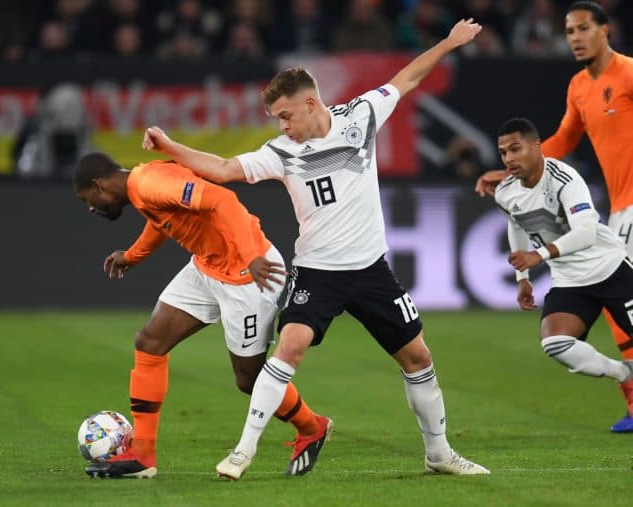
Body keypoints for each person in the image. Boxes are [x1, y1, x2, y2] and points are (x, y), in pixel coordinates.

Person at [142, 18, 490, 479]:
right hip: (317, 272)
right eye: (277, 120)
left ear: (311, 103)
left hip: (370, 272)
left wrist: (449, 42)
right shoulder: (282, 151)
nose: (283, 126)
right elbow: (224, 168)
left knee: (418, 358)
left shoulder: (362, 116)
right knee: (290, 348)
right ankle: (243, 451)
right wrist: (171, 145)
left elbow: (407, 78)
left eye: (286, 116)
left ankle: (440, 455)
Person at [73, 153, 326, 478]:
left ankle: (311, 427)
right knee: (150, 342)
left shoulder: (150, 182)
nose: (91, 208)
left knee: (249, 379)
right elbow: (161, 219)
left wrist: (250, 257)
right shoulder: (143, 187)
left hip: (248, 274)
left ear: (98, 186)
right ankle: (142, 456)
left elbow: (224, 201)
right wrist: (133, 256)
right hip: (207, 266)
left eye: (87, 199)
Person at [475, 1, 633, 432]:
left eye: (584, 28)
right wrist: (512, 167)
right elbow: (563, 138)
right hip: (621, 208)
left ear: (606, 30)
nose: (576, 38)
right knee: (620, 321)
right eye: (569, 31)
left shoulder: (629, 72)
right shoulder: (580, 86)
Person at [494, 117, 633, 402]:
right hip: (570, 281)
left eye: (516, 149)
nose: (509, 158)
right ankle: (626, 374)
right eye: (504, 152)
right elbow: (517, 224)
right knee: (555, 343)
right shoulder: (505, 192)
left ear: (536, 146)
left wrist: (539, 255)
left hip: (610, 269)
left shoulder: (563, 179)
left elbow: (586, 231)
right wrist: (523, 280)